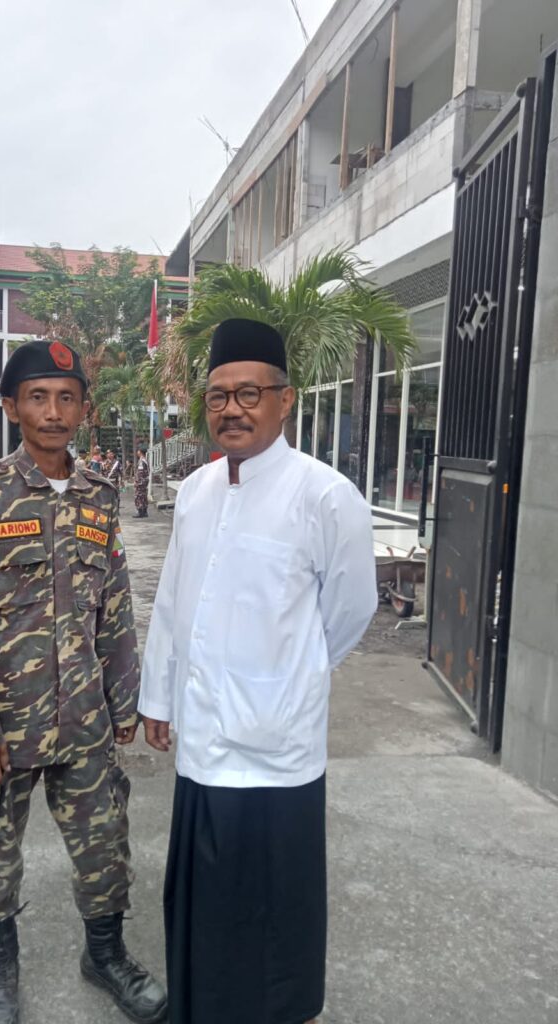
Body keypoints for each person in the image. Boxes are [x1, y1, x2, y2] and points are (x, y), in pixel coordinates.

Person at [138, 318, 377, 1024]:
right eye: (218, 395)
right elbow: (172, 601)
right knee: (205, 895)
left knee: (275, 904)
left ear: (285, 400)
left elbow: (351, 610)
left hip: (278, 749)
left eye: (249, 393)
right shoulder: (195, 491)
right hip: (203, 733)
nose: (231, 409)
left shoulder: (325, 495)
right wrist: (159, 697)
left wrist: (291, 676)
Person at [0, 339, 167, 1024]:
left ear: (83, 411)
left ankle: (105, 955)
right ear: (12, 408)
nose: (53, 411)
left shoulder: (101, 497)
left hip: (84, 719)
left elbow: (116, 609)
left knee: (105, 844)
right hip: (3, 724)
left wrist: (125, 702)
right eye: (38, 397)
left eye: (66, 398)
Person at [133, 447, 149, 519]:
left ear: (140, 452)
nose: (137, 452)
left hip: (141, 482)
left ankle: (140, 511)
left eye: (138, 451)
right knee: (144, 495)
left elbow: (140, 473)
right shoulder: (145, 460)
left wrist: (137, 482)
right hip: (144, 481)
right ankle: (145, 511)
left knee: (139, 496)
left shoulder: (141, 461)